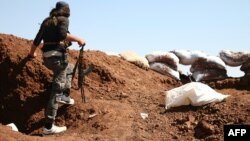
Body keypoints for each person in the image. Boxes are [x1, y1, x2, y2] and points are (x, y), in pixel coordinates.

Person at [29, 1, 85, 134]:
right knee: (56, 91)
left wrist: (32, 53)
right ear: (66, 11)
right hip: (58, 58)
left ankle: (66, 96)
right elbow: (62, 35)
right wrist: (78, 38)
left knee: (70, 68)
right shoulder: (63, 19)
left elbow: (37, 39)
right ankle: (49, 127)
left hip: (47, 58)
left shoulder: (47, 21)